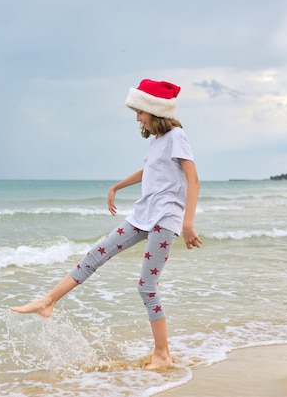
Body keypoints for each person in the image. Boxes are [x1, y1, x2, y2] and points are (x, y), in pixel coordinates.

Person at [11, 79, 202, 370]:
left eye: (141, 112)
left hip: (165, 219)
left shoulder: (176, 136)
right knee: (96, 253)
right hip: (143, 214)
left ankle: (162, 354)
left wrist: (188, 223)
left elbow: (193, 178)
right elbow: (150, 168)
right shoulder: (158, 141)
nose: (137, 118)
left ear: (154, 110)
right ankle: (47, 301)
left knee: (146, 286)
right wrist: (118, 186)